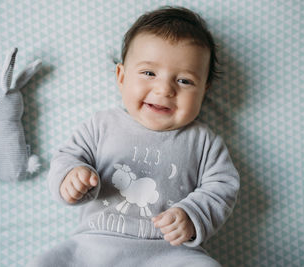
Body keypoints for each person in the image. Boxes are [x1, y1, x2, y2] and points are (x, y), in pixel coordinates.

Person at [31, 6, 240, 267]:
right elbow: (67, 157)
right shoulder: (101, 125)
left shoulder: (203, 141)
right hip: (94, 245)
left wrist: (192, 213)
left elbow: (222, 187)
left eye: (185, 81)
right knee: (46, 262)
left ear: (204, 90)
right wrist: (71, 176)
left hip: (170, 253)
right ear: (121, 76)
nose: (164, 89)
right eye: (149, 73)